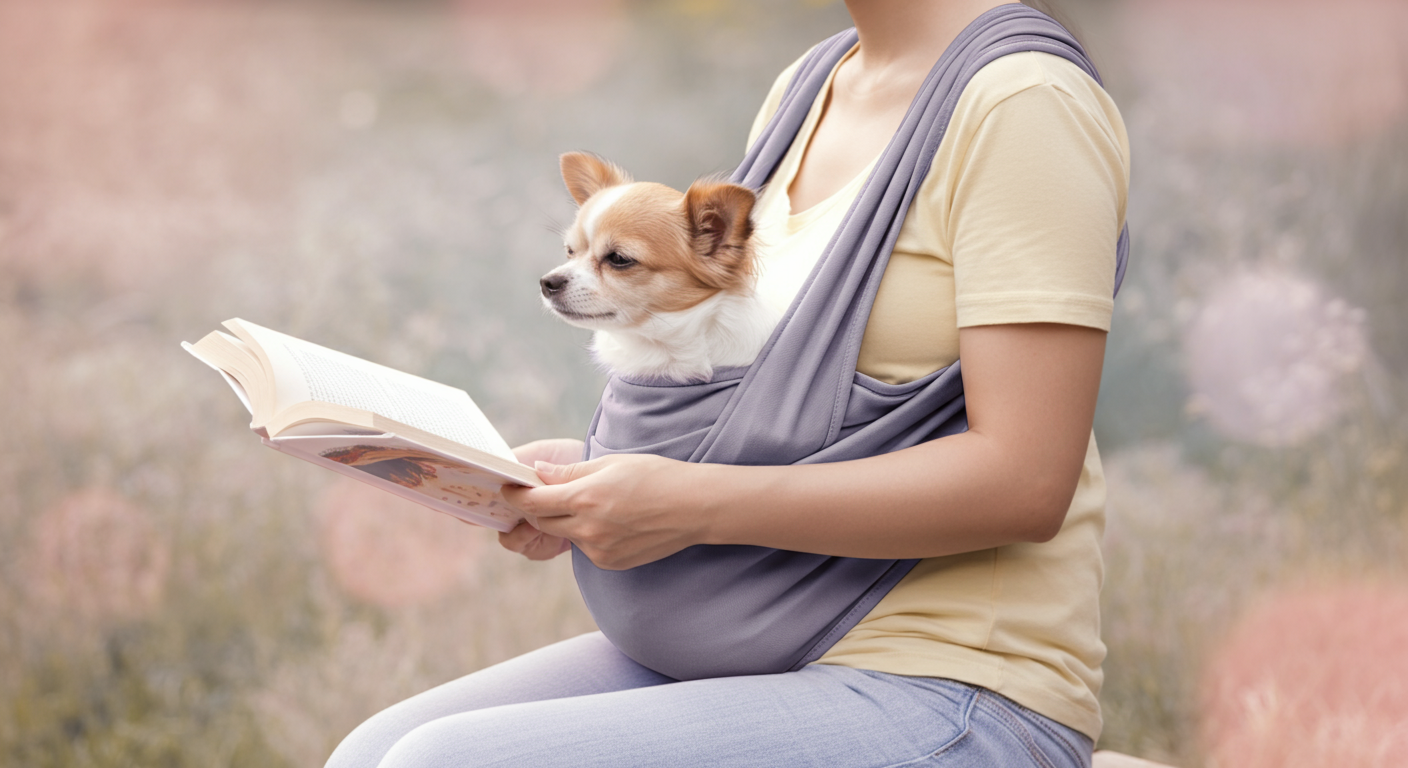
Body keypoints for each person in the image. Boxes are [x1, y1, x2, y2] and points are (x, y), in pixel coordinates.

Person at [326, 0, 1127, 765]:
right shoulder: (807, 90)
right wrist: (592, 477)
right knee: (368, 753)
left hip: (949, 681)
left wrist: (688, 503)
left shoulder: (1025, 103)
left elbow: (1026, 481)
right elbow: (791, 418)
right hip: (753, 644)